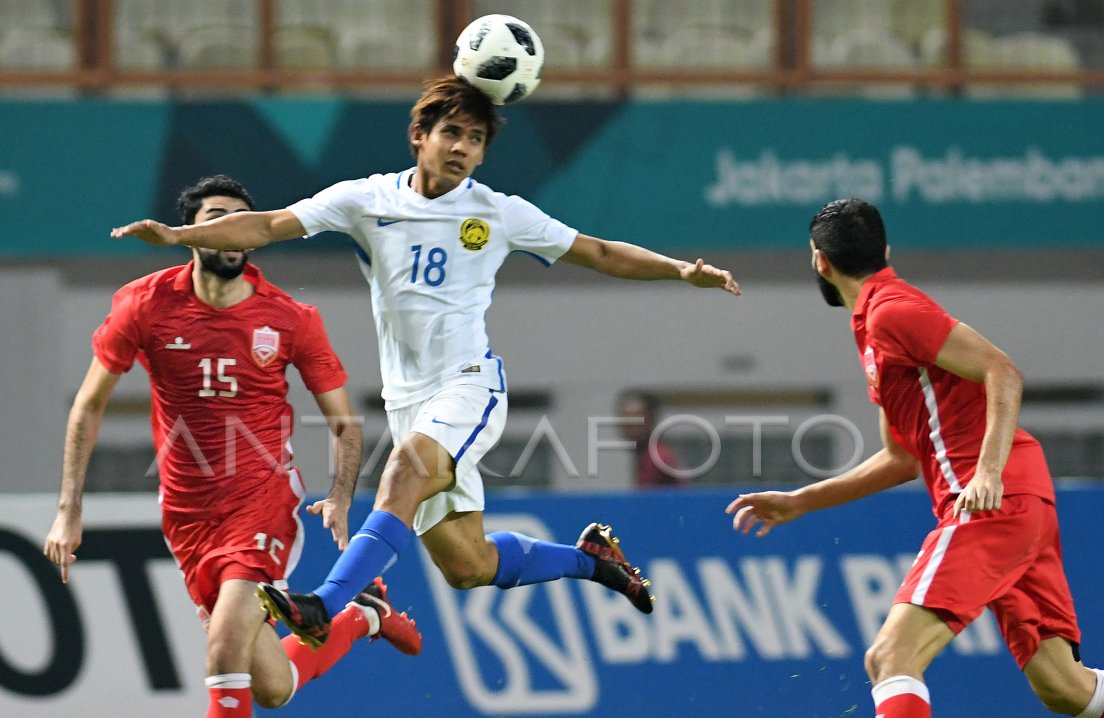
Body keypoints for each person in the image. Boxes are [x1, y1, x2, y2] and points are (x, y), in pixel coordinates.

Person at [111, 76, 741, 648]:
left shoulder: (498, 212)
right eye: (451, 133)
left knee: (402, 476)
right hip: (407, 398)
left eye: (474, 138)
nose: (462, 147)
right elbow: (267, 226)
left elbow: (599, 252)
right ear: (420, 136)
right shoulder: (365, 200)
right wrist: (178, 239)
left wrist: (680, 270)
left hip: (469, 386)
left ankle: (323, 604)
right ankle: (593, 560)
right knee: (467, 565)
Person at [45, 175, 422, 718]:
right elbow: (90, 404)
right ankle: (363, 615)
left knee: (222, 652)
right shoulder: (145, 305)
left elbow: (344, 420)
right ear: (193, 233)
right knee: (271, 687)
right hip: (188, 517)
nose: (231, 232)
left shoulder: (290, 317)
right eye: (216, 219)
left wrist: (339, 494)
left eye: (243, 222)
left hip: (264, 504)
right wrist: (70, 506)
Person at [727, 198, 1103, 718]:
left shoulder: (896, 310)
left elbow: (1003, 372)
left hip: (992, 500)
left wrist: (985, 472)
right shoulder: (873, 326)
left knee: (890, 653)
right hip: (1018, 499)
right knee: (1064, 688)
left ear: (820, 261)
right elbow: (903, 456)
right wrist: (801, 500)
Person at [616, 389, 688, 487]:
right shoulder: (645, 454)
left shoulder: (657, 457)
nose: (628, 426)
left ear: (651, 420)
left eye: (635, 419)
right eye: (624, 419)